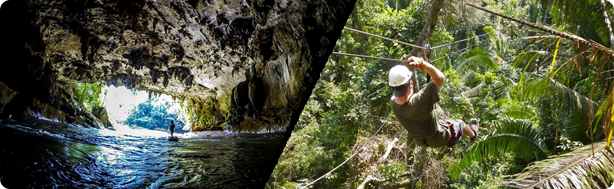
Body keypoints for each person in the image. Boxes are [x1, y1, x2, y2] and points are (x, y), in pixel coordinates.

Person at [388, 56, 479, 148]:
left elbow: (414, 100)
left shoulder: (393, 103)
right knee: (460, 124)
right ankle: (473, 134)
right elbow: (440, 78)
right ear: (410, 83)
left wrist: (425, 88)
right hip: (438, 138)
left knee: (444, 122)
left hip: (420, 140)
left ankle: (451, 135)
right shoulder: (420, 101)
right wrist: (422, 63)